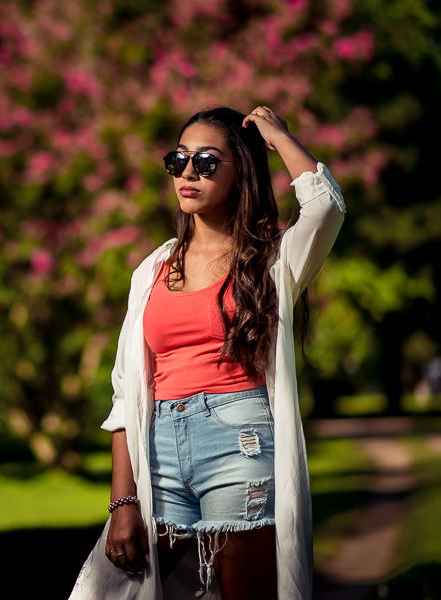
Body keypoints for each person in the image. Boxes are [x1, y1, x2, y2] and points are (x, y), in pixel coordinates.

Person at [69, 106, 346, 600]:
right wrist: (122, 501)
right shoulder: (151, 269)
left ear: (241, 170)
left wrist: (277, 136)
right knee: (103, 591)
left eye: (207, 160)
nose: (189, 172)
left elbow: (325, 208)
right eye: (178, 160)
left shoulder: (272, 260)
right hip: (158, 454)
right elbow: (124, 394)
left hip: (239, 444)